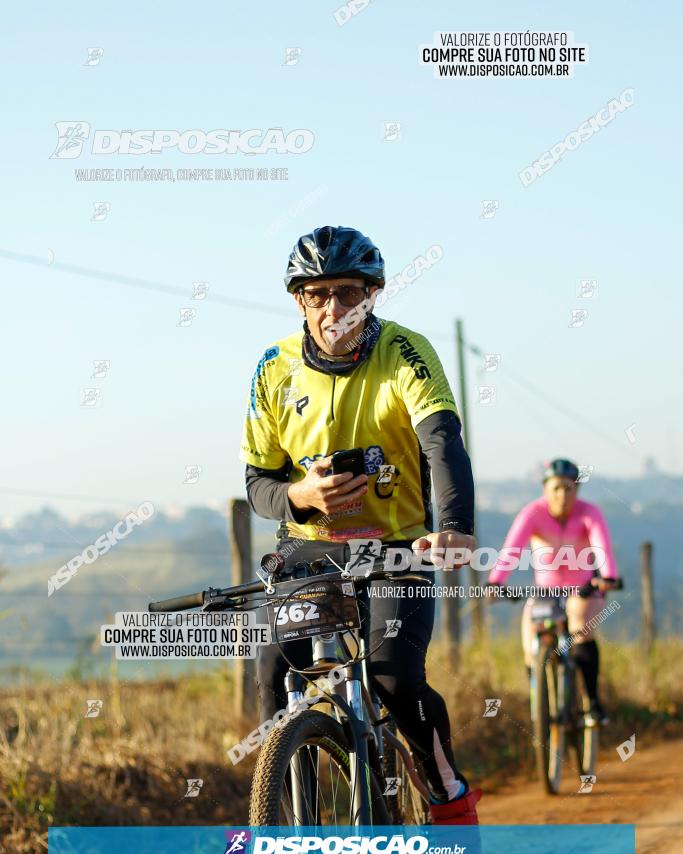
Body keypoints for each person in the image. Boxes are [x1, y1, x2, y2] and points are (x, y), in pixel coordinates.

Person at [239, 225, 481, 825]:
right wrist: (300, 494)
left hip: (399, 547)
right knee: (273, 675)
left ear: (372, 295)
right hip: (309, 548)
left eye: (347, 293)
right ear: (299, 300)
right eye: (317, 295)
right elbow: (257, 486)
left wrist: (452, 526)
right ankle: (291, 811)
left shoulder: (405, 351)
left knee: (396, 680)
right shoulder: (273, 368)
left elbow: (443, 444)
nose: (333, 308)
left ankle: (447, 795)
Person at [487, 458, 621, 724]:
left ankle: (592, 703)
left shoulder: (589, 513)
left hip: (584, 588)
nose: (562, 494)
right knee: (529, 641)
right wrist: (496, 582)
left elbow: (601, 547)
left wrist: (608, 577)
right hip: (545, 591)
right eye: (556, 488)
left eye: (569, 488)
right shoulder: (532, 513)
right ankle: (541, 708)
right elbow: (512, 550)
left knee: (580, 624)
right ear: (545, 489)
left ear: (577, 490)